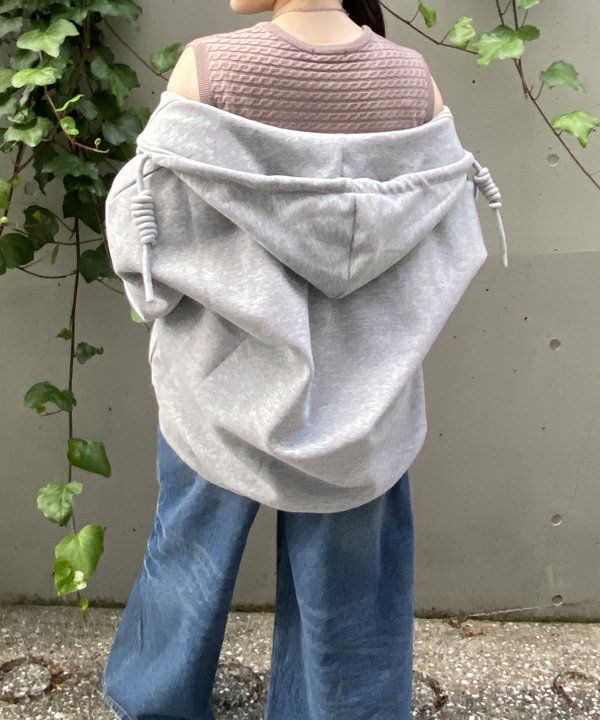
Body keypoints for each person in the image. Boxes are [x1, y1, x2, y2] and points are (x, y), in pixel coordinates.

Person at [102, 2, 493, 719]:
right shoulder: (413, 79)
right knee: (353, 593)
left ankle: (156, 705)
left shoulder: (211, 68)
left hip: (218, 389)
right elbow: (447, 239)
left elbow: (148, 236)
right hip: (364, 407)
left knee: (188, 558)